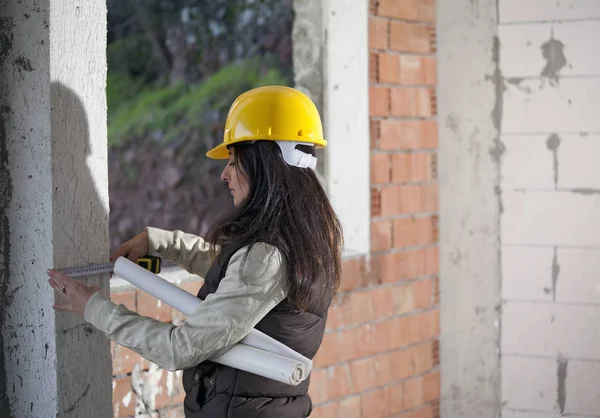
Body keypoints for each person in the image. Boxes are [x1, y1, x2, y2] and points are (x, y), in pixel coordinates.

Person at [47, 85, 343, 417]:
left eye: (233, 161)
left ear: (265, 163)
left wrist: (93, 308)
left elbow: (180, 348)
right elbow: (237, 273)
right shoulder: (304, 239)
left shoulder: (268, 257)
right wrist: (163, 242)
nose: (224, 174)